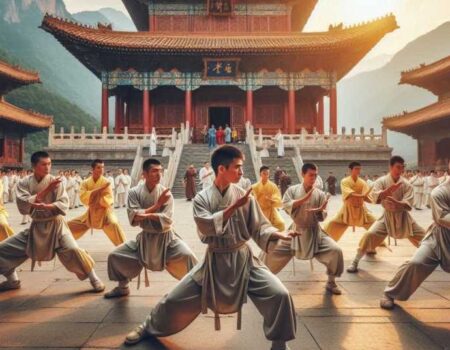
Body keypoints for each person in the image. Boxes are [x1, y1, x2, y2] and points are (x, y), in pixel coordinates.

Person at [124, 145, 297, 350]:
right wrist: (233, 206)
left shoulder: (244, 196)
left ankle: (280, 343)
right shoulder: (202, 199)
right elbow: (206, 226)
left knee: (280, 294)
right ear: (221, 169)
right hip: (214, 263)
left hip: (244, 261)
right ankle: (147, 326)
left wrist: (277, 233)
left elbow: (260, 227)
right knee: (173, 299)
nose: (242, 172)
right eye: (237, 167)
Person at [0, 151, 104, 292]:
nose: (47, 167)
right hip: (36, 227)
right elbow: (24, 205)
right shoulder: (24, 182)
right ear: (34, 166)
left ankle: (94, 278)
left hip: (57, 226)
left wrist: (48, 206)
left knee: (73, 249)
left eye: (49, 164)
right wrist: (47, 190)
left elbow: (63, 203)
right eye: (43, 164)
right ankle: (12, 279)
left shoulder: (56, 181)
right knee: (4, 249)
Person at [105, 158, 198, 298]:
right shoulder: (134, 192)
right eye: (154, 171)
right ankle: (122, 286)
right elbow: (133, 217)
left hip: (167, 240)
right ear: (145, 174)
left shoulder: (166, 193)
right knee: (116, 256)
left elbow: (167, 219)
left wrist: (145, 213)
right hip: (145, 240)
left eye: (160, 171)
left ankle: (195, 289)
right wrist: (156, 207)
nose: (158, 175)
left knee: (188, 256)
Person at [260, 163, 344, 295]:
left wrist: (319, 211)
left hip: (315, 232)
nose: (313, 178)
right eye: (311, 175)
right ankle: (262, 279)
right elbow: (286, 205)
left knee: (335, 250)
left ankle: (331, 281)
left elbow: (323, 217)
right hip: (295, 231)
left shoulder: (320, 194)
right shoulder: (292, 190)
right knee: (270, 249)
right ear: (303, 174)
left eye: (315, 175)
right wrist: (305, 198)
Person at [380, 163, 450, 310]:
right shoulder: (439, 192)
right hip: (439, 239)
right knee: (416, 263)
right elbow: (442, 218)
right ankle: (391, 293)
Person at [347, 156, 426, 273]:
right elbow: (374, 196)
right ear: (390, 167)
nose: (400, 170)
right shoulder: (382, 181)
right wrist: (385, 193)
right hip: (386, 217)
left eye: (402, 167)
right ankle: (355, 261)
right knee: (370, 234)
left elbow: (408, 203)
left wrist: (397, 203)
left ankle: (433, 257)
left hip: (403, 218)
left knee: (425, 238)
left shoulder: (406, 184)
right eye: (398, 167)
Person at [67, 159, 126, 247]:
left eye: (102, 167)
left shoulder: (106, 182)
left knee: (114, 224)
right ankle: (64, 243)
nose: (101, 169)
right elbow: (83, 197)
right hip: (90, 214)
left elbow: (109, 199)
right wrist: (99, 191)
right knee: (68, 226)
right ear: (93, 169)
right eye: (98, 167)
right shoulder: (85, 183)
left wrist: (97, 198)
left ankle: (124, 247)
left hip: (105, 213)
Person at [323, 162, 376, 242]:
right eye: (356, 169)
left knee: (376, 224)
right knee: (332, 224)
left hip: (361, 209)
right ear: (350, 170)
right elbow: (350, 194)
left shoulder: (362, 182)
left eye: (359, 169)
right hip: (347, 210)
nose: (358, 171)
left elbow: (367, 197)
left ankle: (378, 242)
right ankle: (324, 242)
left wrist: (375, 197)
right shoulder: (345, 181)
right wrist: (362, 196)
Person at [252, 166, 285, 231]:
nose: (266, 175)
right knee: (258, 227)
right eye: (264, 173)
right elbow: (252, 200)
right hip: (260, 211)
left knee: (281, 223)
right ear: (260, 174)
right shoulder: (254, 187)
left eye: (267, 174)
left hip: (271, 210)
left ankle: (276, 238)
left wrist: (271, 200)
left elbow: (278, 198)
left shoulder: (273, 186)